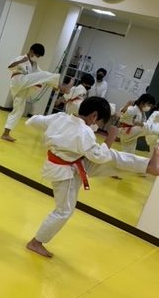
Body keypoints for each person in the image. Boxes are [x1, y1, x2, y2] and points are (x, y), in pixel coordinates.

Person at [25, 97, 159, 258]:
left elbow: (34, 120)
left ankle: (147, 166)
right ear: (94, 116)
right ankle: (36, 242)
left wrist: (54, 135)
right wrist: (111, 136)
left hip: (75, 162)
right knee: (64, 210)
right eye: (99, 121)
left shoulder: (60, 117)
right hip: (64, 173)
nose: (96, 125)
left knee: (113, 157)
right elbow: (98, 156)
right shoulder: (84, 131)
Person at [1, 43, 62, 142]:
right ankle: (60, 86)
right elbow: (9, 66)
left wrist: (50, 84)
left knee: (18, 110)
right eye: (37, 55)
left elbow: (40, 76)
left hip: (23, 86)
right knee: (44, 75)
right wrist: (21, 61)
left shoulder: (35, 65)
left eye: (39, 56)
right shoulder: (22, 58)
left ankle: (5, 134)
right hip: (19, 80)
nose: (37, 57)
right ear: (31, 51)